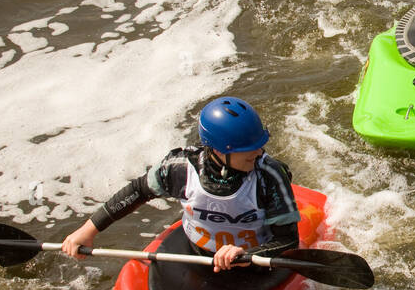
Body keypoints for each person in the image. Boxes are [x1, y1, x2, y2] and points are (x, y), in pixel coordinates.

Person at [60, 96, 300, 272]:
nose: (259, 152)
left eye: (259, 144)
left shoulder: (269, 176)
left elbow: (288, 240)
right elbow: (138, 191)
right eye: (248, 148)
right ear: (218, 150)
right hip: (195, 256)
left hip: (253, 263)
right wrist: (88, 230)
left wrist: (247, 254)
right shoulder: (180, 168)